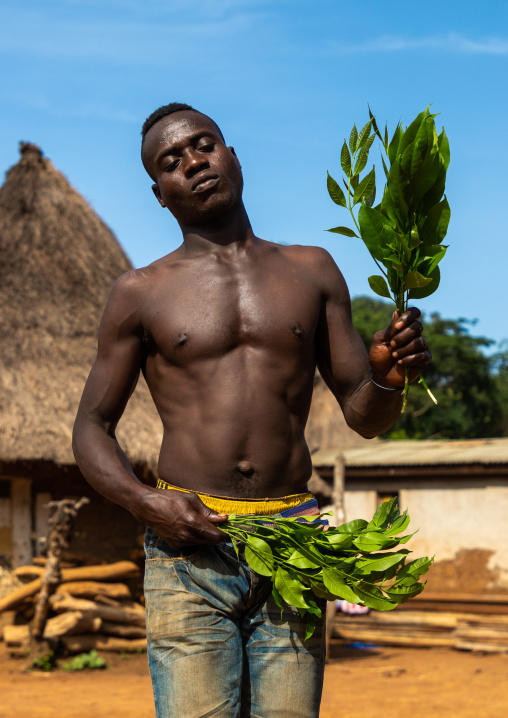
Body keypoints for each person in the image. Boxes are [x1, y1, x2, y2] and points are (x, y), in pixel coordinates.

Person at [72, 102, 431, 718]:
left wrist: (387, 378)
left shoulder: (312, 269)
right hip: (189, 550)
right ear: (159, 193)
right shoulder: (140, 292)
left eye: (203, 145)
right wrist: (146, 502)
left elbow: (364, 416)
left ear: (232, 155)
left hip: (295, 541)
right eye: (172, 161)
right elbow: (90, 427)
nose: (193, 162)